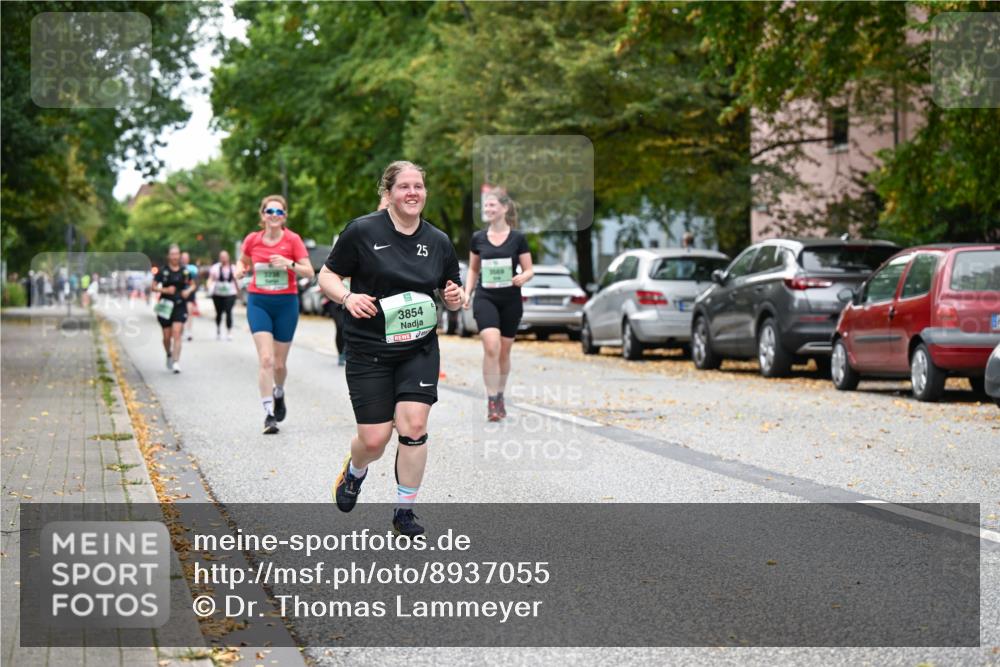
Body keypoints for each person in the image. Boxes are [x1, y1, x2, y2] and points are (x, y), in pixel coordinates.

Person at [319, 160, 464, 537]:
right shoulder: (363, 231)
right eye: (405, 187)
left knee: (414, 426)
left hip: (418, 349)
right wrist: (348, 298)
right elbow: (327, 275)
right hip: (370, 350)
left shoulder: (438, 241)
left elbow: (452, 293)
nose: (413, 193)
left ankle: (405, 510)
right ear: (390, 192)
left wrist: (454, 296)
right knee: (375, 439)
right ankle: (354, 471)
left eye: (419, 186)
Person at [234, 194, 314, 434]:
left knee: (279, 364)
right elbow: (243, 262)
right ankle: (269, 414)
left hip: (286, 304)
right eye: (270, 212)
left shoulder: (293, 240)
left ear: (284, 216)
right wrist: (240, 270)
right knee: (266, 359)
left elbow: (309, 272)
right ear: (263, 216)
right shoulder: (252, 240)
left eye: (279, 212)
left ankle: (279, 391)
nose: (274, 216)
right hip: (259, 302)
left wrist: (288, 264)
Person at [463, 190, 533, 421]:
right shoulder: (478, 238)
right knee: (491, 346)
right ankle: (492, 400)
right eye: (486, 206)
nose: (488, 209)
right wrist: (467, 292)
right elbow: (473, 269)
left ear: (504, 208)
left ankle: (500, 395)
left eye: (492, 205)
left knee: (504, 351)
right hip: (486, 297)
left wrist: (523, 277)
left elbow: (529, 269)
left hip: (511, 299)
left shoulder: (517, 238)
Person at [152, 244, 194, 373]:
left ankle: (176, 361)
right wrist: (165, 289)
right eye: (173, 254)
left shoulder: (185, 271)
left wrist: (188, 291)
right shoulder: (162, 270)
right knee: (166, 336)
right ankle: (169, 354)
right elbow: (153, 287)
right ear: (168, 256)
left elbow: (192, 285)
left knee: (177, 333)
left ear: (180, 255)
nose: (175, 256)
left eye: (177, 254)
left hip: (180, 304)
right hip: (165, 305)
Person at [208, 250, 239, 340]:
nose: (223, 259)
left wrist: (238, 291)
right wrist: (209, 286)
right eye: (222, 257)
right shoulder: (215, 268)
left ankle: (229, 331)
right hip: (218, 294)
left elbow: (236, 280)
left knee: (229, 311)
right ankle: (218, 329)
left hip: (230, 293)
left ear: (228, 257)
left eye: (225, 257)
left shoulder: (233, 268)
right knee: (219, 313)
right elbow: (210, 279)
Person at [179, 252, 199, 341]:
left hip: (190, 292)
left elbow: (194, 281)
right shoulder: (177, 268)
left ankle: (188, 331)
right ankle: (181, 330)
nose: (184, 259)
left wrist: (190, 290)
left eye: (186, 258)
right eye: (183, 257)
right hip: (179, 293)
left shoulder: (193, 269)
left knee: (189, 311)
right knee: (181, 312)